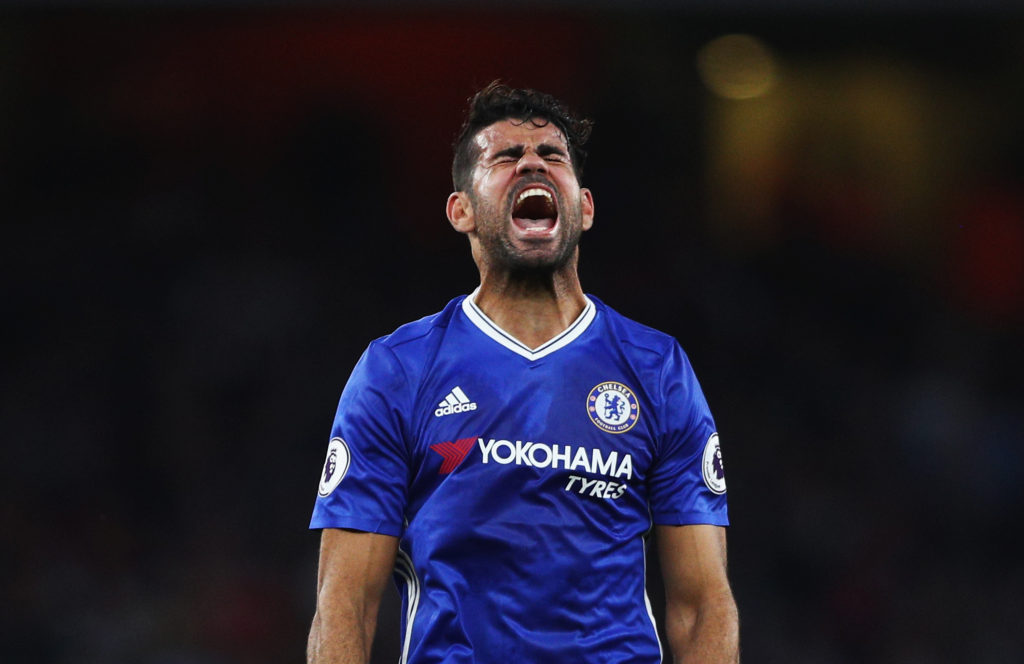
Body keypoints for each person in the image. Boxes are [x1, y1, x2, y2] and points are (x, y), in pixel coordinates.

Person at [307, 82, 739, 664]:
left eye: (551, 156)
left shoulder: (657, 369)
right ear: (461, 210)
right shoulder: (397, 370)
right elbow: (346, 606)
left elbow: (703, 605)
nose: (531, 161)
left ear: (584, 207)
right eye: (505, 157)